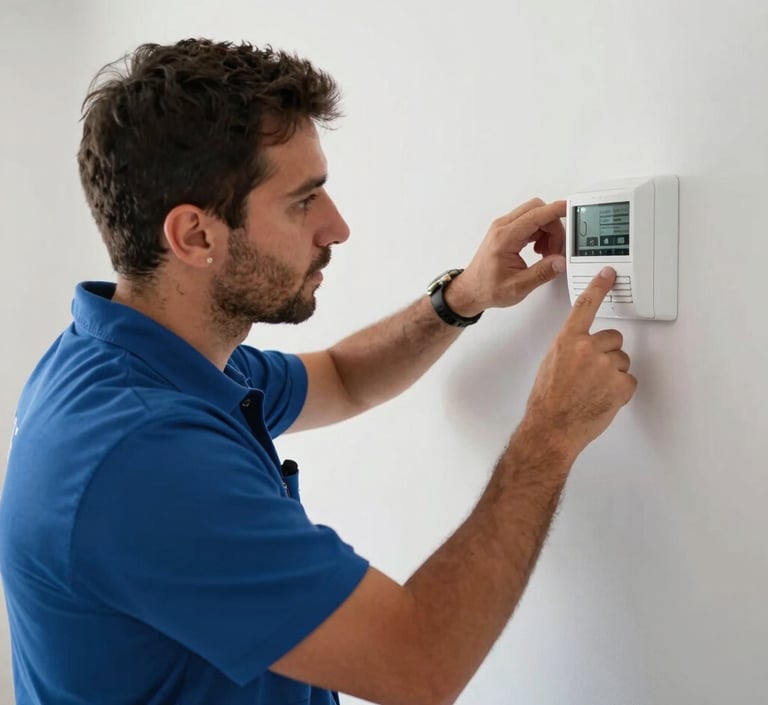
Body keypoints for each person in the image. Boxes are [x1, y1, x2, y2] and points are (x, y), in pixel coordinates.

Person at [0, 38, 636, 705]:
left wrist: (461, 296)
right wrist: (549, 435)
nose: (337, 227)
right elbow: (419, 665)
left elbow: (340, 378)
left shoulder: (139, 358)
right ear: (195, 236)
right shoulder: (140, 454)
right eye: (304, 201)